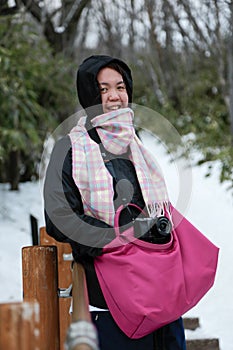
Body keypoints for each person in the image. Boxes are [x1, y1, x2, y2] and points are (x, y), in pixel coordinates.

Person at [44, 55, 186, 350]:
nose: (114, 97)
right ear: (89, 94)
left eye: (120, 87)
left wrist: (153, 229)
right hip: (108, 296)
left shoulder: (137, 145)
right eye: (103, 89)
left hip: (158, 286)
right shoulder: (69, 149)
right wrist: (120, 238)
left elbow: (155, 205)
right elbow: (59, 218)